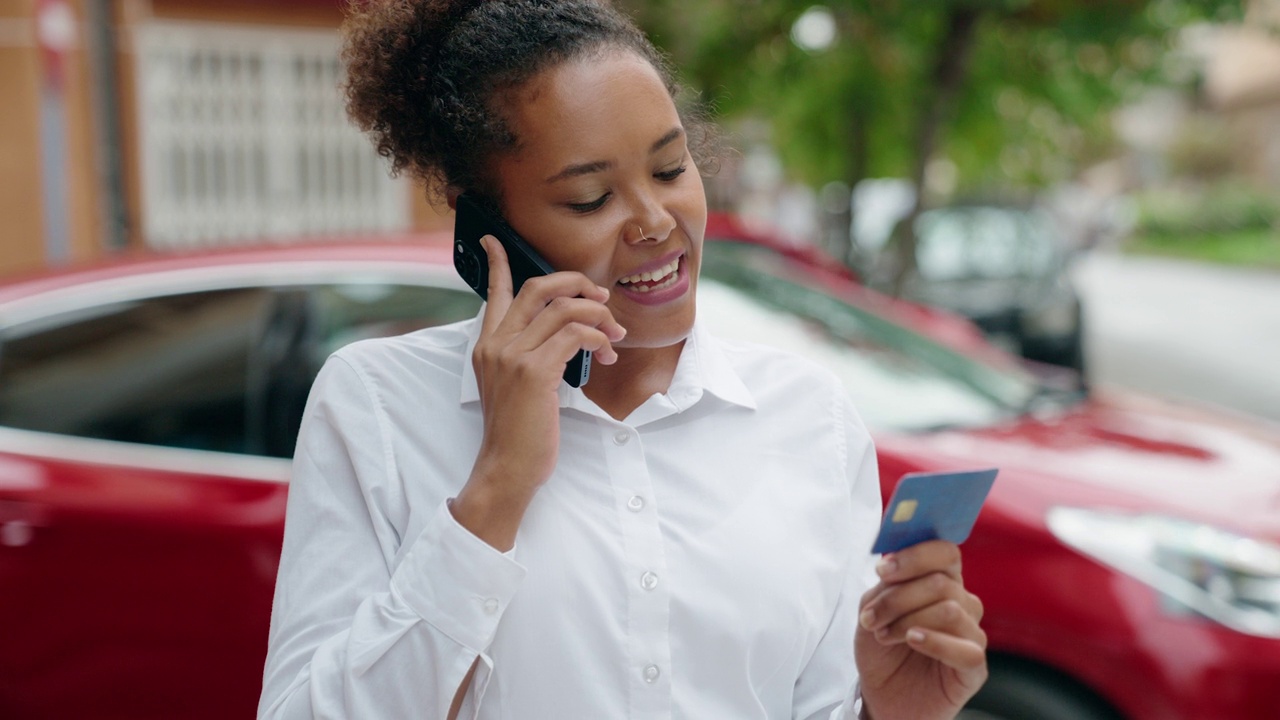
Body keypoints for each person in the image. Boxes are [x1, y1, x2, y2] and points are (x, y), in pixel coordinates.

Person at [257, 1, 988, 718]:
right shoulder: (377, 408)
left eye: (671, 169)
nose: (655, 221)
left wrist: (889, 715)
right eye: (590, 198)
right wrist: (498, 485)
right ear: (486, 224)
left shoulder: (808, 414)